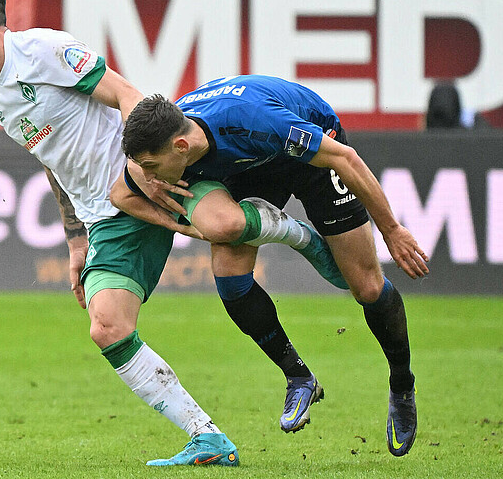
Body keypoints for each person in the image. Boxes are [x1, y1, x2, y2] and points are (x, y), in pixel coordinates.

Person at [0, 0, 342, 466]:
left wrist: (139, 170)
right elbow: (52, 159)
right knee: (107, 328)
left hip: (149, 178)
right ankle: (207, 438)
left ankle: (296, 233)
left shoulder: (44, 50)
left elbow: (130, 96)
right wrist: (74, 238)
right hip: (104, 215)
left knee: (224, 227)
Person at [114, 75, 430, 457]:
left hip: (311, 153)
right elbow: (119, 193)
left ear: (181, 146)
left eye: (151, 166)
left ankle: (401, 385)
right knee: (229, 271)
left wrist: (392, 230)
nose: (148, 175)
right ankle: (299, 376)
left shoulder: (254, 122)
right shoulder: (170, 137)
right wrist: (169, 208)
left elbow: (345, 159)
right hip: (252, 167)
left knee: (366, 286)